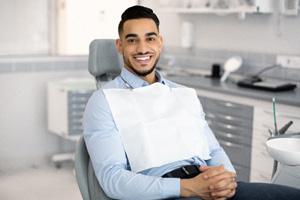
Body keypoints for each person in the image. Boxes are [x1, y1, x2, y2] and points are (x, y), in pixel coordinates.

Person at [83, 5, 300, 200]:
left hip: (211, 188)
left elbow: (213, 151)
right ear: (120, 46)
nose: (142, 49)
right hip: (166, 194)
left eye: (150, 38)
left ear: (160, 43)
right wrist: (186, 188)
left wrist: (227, 180)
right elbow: (113, 179)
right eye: (132, 40)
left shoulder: (183, 94)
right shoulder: (104, 101)